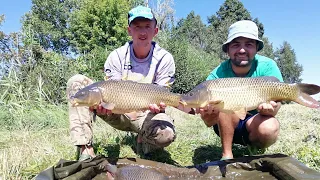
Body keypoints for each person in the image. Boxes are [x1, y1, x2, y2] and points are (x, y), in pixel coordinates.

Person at [66, 5, 177, 161]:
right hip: (117, 113)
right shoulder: (116, 56)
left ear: (155, 31)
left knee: (166, 134)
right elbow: (112, 91)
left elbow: (163, 92)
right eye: (137, 27)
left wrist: (161, 105)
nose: (142, 32)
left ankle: (143, 139)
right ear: (129, 30)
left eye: (147, 26)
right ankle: (86, 150)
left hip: (147, 115)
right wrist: (105, 106)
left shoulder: (165, 58)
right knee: (76, 82)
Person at [197, 20, 284, 160]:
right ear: (228, 50)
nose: (242, 50)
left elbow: (278, 102)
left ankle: (254, 145)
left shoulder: (268, 66)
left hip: (255, 120)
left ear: (256, 48)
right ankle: (227, 154)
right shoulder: (216, 75)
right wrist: (209, 117)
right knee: (225, 101)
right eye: (236, 45)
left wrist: (272, 109)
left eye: (248, 44)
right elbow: (208, 122)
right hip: (226, 124)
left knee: (270, 128)